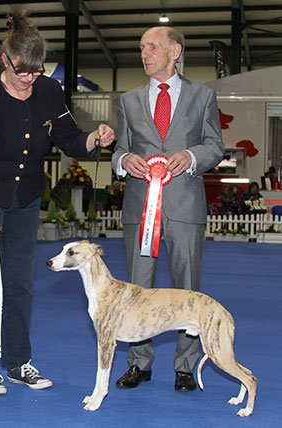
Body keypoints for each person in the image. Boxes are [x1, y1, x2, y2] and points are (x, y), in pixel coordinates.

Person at [0, 11, 114, 396]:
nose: (29, 79)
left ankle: (18, 361)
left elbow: (70, 139)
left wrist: (95, 138)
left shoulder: (50, 91)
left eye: (36, 72)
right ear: (6, 61)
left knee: (22, 285)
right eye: (22, 72)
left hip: (25, 200)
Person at [111, 26, 225, 393]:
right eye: (141, 47)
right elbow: (119, 149)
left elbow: (215, 146)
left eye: (152, 47)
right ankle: (138, 364)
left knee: (188, 291)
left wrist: (191, 156)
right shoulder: (127, 100)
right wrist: (124, 159)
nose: (144, 54)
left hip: (185, 208)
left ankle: (186, 367)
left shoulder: (203, 95)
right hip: (139, 208)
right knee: (135, 291)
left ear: (174, 51)